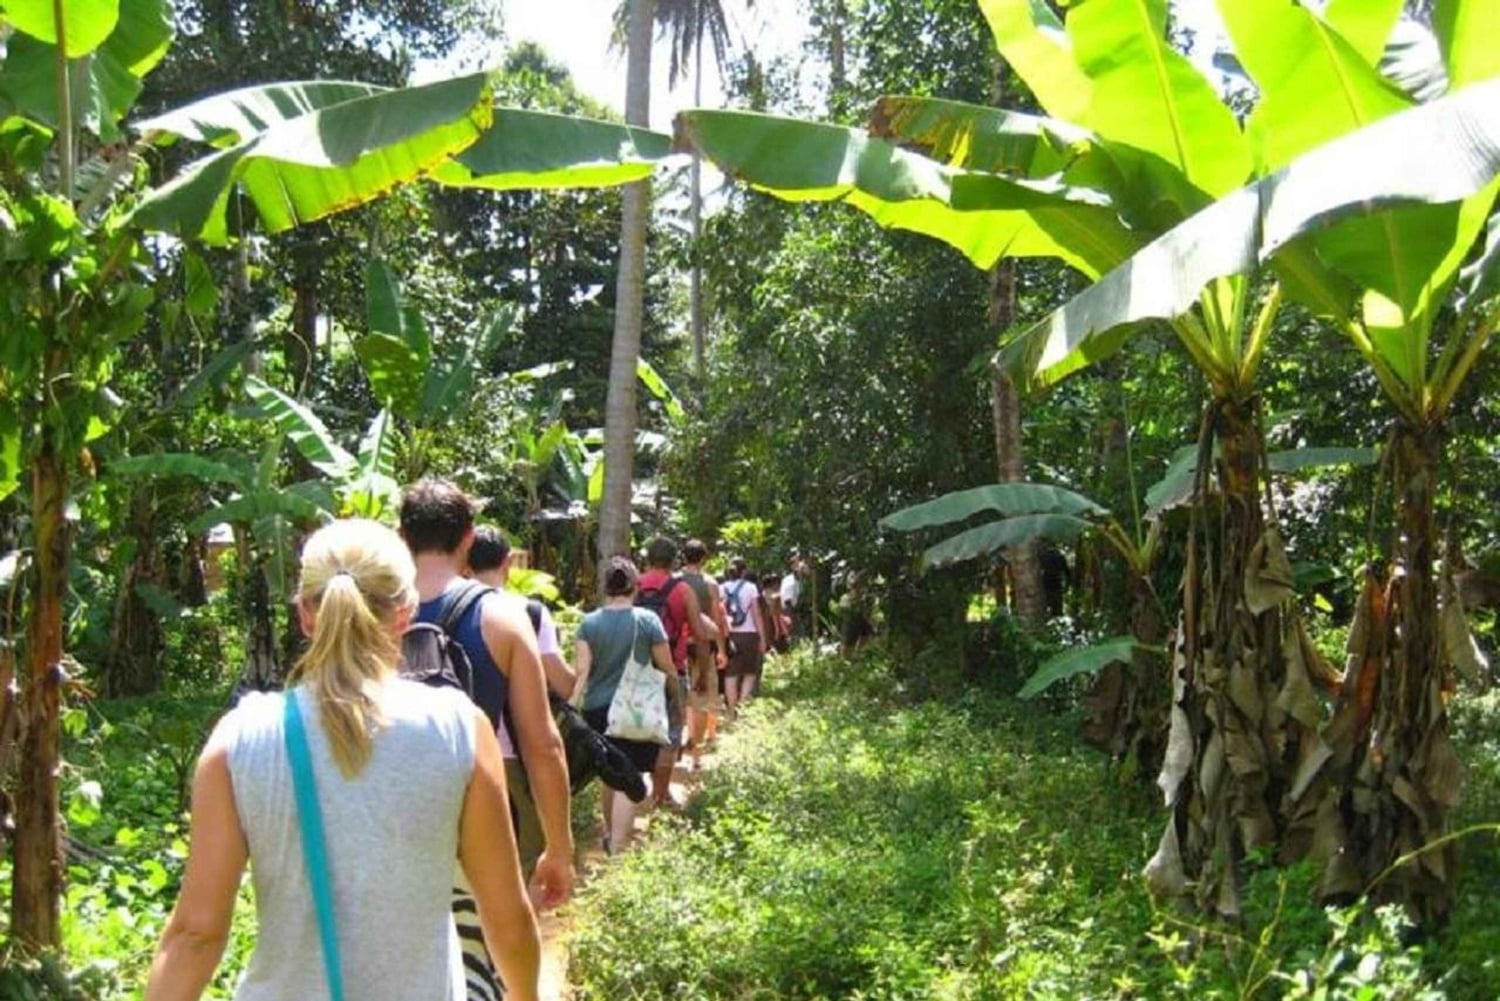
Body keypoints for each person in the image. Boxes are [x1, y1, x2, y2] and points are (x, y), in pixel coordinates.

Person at [144, 519, 540, 1001]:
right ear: (406, 613)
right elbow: (506, 918)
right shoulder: (460, 730)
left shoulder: (241, 740)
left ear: (305, 615)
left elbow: (196, 934)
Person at [400, 481, 572, 1001]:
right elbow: (542, 744)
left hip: (388, 812)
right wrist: (558, 848)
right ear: (468, 539)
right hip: (478, 812)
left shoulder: (370, 613)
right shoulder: (501, 617)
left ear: (401, 536)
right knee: (481, 954)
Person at [466, 524, 576, 880]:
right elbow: (561, 681)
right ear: (507, 564)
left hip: (461, 752)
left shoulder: (444, 607)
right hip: (516, 753)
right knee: (528, 850)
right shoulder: (528, 612)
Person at [572, 556, 682, 854]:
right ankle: (619, 846)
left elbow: (582, 672)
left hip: (596, 709)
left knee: (610, 775)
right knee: (629, 775)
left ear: (605, 586)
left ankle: (610, 835)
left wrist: (571, 708)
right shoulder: (647, 621)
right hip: (635, 710)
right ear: (635, 586)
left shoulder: (589, 623)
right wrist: (676, 698)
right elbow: (667, 667)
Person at [635, 537, 708, 810]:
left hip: (636, 671)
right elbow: (700, 635)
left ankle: (635, 790)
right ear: (674, 560)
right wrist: (702, 672)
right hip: (673, 671)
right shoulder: (682, 590)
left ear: (647, 558)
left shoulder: (634, 586)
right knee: (670, 734)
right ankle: (661, 794)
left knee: (634, 728)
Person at [679, 538, 728, 770]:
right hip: (703, 645)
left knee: (686, 698)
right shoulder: (710, 584)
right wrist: (721, 649)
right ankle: (696, 754)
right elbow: (716, 619)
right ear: (704, 558)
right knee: (700, 698)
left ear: (683, 556)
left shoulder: (675, 581)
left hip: (678, 646)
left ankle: (686, 744)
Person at [720, 558, 771, 718]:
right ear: (744, 571)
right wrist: (762, 638)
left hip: (729, 635)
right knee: (750, 673)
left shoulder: (721, 588)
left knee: (731, 674)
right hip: (749, 634)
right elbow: (757, 615)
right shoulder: (750, 588)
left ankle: (730, 711)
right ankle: (742, 707)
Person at [780, 555, 805, 643]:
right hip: (789, 611)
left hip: (795, 609)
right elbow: (787, 601)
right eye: (797, 564)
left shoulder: (799, 580)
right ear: (792, 567)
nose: (800, 566)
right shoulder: (790, 581)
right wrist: (792, 616)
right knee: (792, 633)